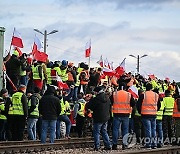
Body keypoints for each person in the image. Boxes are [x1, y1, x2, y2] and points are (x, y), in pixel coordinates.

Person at [86, 86, 111, 151]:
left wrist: (90, 99)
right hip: (106, 117)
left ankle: (97, 146)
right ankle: (108, 145)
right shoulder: (107, 98)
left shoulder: (96, 99)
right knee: (104, 131)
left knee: (96, 132)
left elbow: (90, 106)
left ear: (97, 92)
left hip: (98, 118)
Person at [111, 82, 135, 150]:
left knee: (115, 129)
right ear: (125, 87)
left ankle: (114, 144)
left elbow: (111, 102)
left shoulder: (115, 94)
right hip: (126, 114)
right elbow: (133, 104)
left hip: (116, 114)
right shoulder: (129, 95)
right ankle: (124, 144)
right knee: (125, 130)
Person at [137, 83, 160, 149]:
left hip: (145, 114)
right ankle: (154, 144)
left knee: (148, 130)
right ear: (151, 88)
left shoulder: (143, 95)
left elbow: (138, 105)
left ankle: (148, 145)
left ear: (146, 88)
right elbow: (159, 105)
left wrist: (140, 112)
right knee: (153, 130)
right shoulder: (156, 95)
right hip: (153, 114)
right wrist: (155, 110)